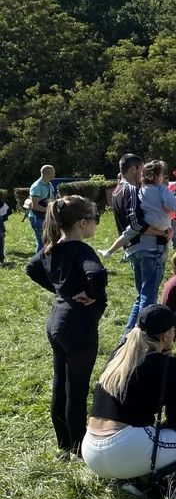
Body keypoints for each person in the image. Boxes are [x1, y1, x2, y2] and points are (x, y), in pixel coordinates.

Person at [81, 305, 176, 494]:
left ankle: (133, 477)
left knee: (142, 433)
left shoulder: (119, 355)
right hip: (123, 449)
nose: (175, 335)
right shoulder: (166, 364)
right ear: (165, 336)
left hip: (90, 452)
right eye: (174, 330)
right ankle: (148, 479)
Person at [26, 196, 107, 458]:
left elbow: (31, 268)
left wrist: (60, 291)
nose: (96, 224)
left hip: (56, 322)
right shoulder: (82, 250)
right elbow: (97, 274)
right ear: (83, 223)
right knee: (77, 388)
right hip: (77, 326)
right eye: (95, 219)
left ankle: (64, 444)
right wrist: (92, 293)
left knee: (61, 383)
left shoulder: (52, 248)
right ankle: (78, 446)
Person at [112, 154, 171, 337]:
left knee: (142, 296)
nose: (144, 175)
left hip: (132, 249)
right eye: (142, 169)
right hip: (149, 248)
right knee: (149, 298)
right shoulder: (132, 190)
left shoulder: (116, 191)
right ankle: (143, 339)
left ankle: (127, 338)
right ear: (133, 169)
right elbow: (137, 223)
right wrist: (163, 232)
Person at [100, 160, 176, 259]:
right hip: (164, 223)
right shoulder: (162, 189)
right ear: (157, 176)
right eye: (162, 175)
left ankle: (110, 251)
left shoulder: (141, 190)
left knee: (128, 232)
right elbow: (171, 203)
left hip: (148, 220)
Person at [27, 165, 57, 252]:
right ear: (48, 174)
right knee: (42, 242)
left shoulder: (50, 185)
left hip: (45, 216)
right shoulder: (36, 186)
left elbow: (51, 200)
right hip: (36, 217)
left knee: (48, 240)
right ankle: (39, 263)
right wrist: (49, 211)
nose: (54, 175)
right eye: (53, 173)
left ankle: (45, 261)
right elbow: (34, 206)